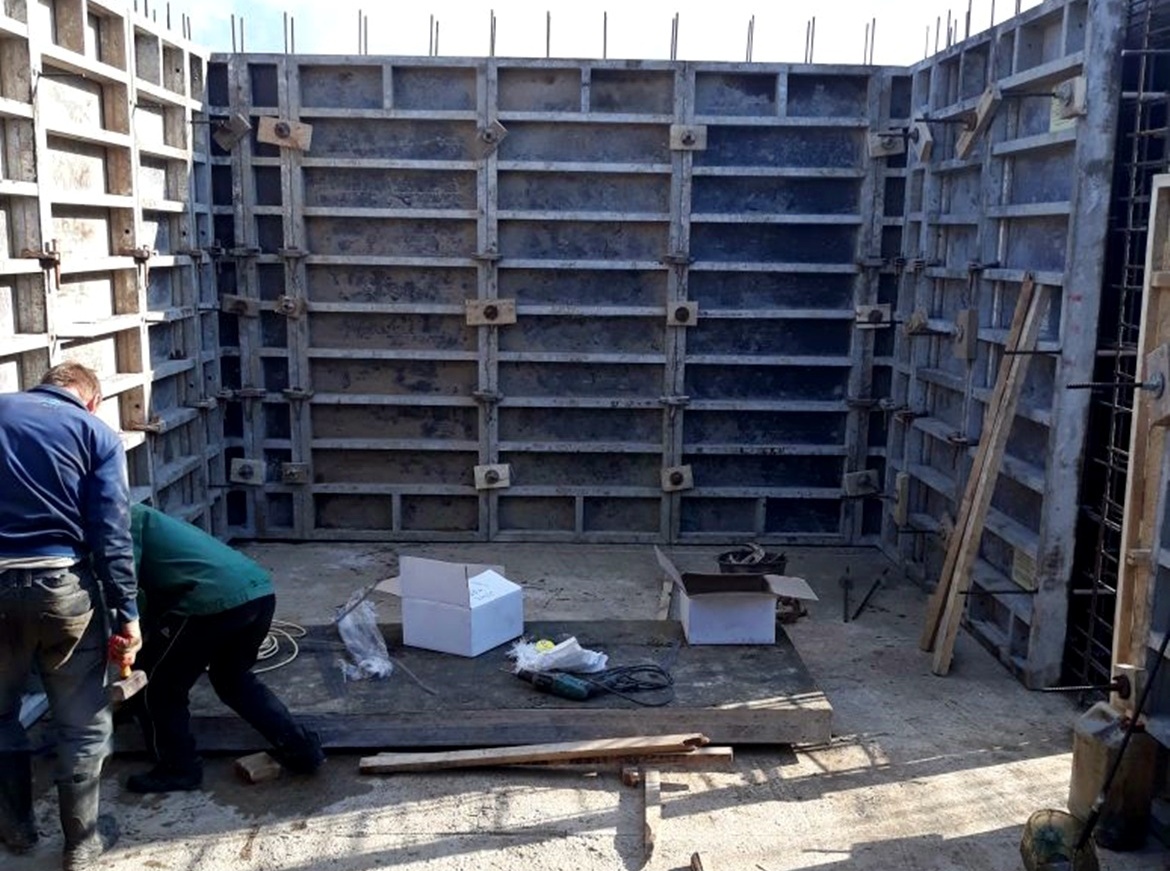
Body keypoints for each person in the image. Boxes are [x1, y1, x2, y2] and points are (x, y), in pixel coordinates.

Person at [0, 362, 141, 871]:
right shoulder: (95, 433)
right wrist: (127, 612)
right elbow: (112, 531)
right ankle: (81, 843)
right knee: (82, 723)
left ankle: (16, 828)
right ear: (92, 400)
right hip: (64, 588)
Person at [125, 503, 324, 793]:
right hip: (258, 592)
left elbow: (126, 589)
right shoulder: (145, 517)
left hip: (211, 602)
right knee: (232, 679)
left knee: (159, 686)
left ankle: (178, 768)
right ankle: (302, 749)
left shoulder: (115, 523)